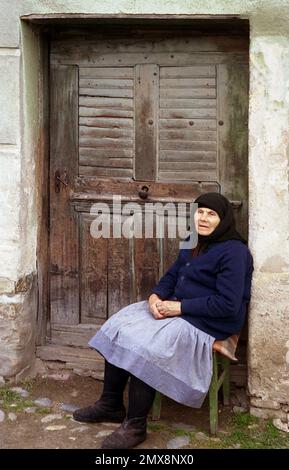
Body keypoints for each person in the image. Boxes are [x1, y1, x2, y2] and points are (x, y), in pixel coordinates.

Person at [73, 192, 254, 449]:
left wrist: (179, 307)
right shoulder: (193, 239)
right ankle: (111, 403)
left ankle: (136, 425)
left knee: (150, 346)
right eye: (200, 211)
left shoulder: (235, 252)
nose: (203, 218)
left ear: (223, 219)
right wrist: (155, 297)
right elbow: (172, 275)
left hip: (210, 321)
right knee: (121, 326)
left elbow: (227, 304)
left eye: (211, 214)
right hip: (179, 308)